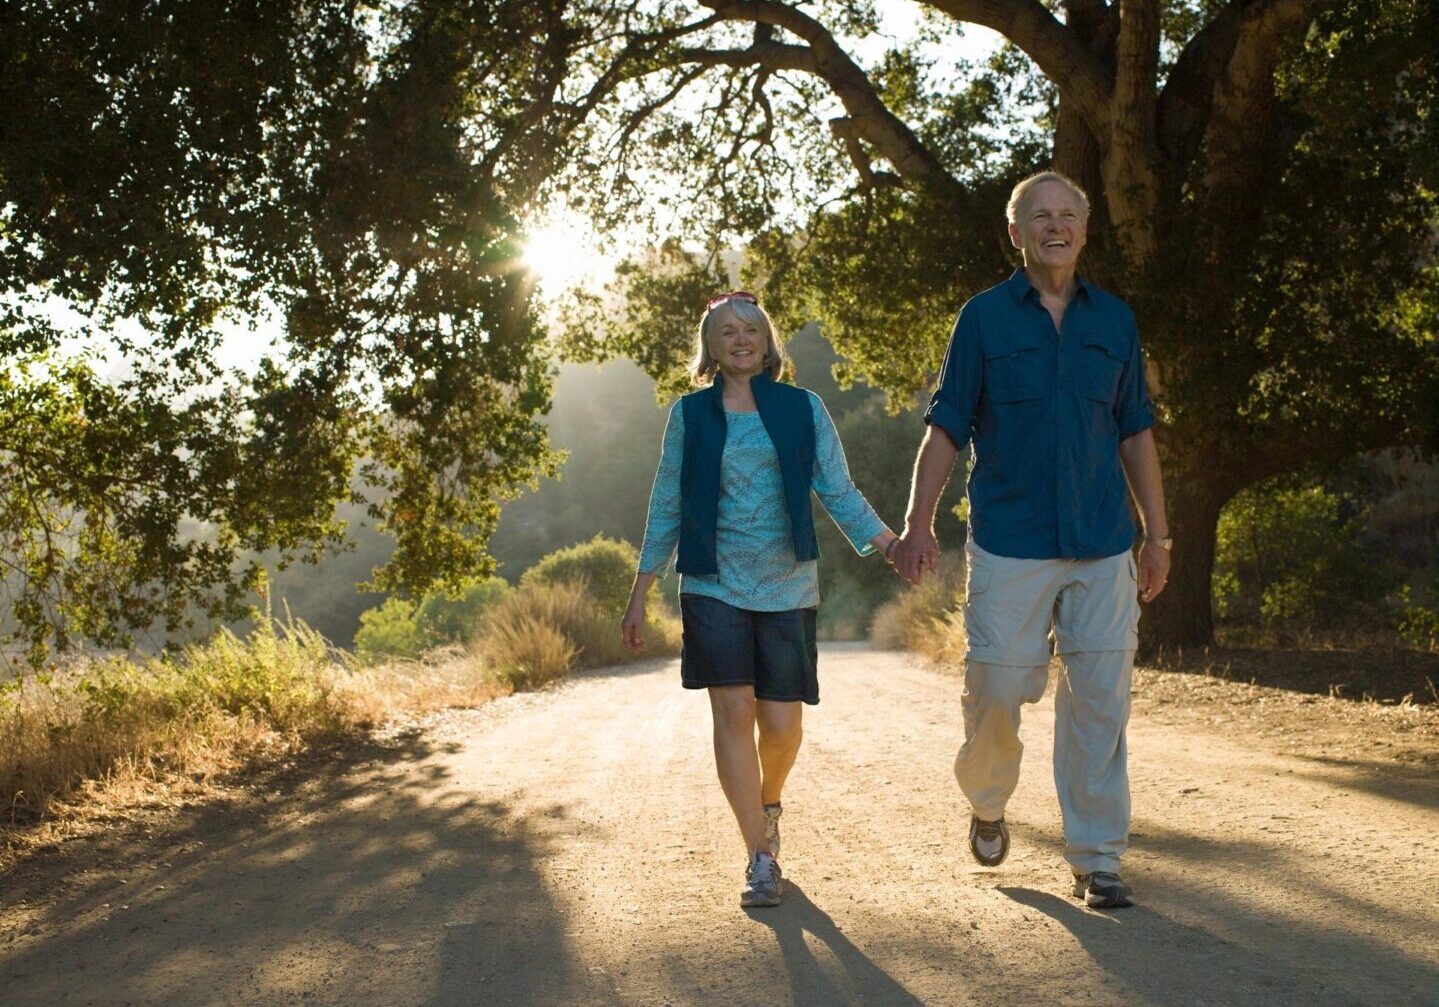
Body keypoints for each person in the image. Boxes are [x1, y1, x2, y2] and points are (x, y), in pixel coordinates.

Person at [893, 171, 1171, 909]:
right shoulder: (983, 319)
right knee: (997, 684)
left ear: (1084, 229)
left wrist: (1158, 535)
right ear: (1014, 233)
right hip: (1011, 540)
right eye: (1039, 217)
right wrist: (918, 523)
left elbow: (1135, 430)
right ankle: (987, 799)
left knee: (1100, 701)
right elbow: (947, 426)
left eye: (1067, 216)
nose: (1055, 227)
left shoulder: (1114, 321)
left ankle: (1096, 856)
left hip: (1103, 539)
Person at [621, 290, 898, 909]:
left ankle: (769, 802)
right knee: (732, 713)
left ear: (768, 342)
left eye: (750, 328)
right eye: (726, 331)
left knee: (780, 723)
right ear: (711, 348)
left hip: (787, 582)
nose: (740, 338)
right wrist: (640, 591)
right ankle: (759, 855)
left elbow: (839, 489)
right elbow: (666, 502)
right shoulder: (689, 416)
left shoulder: (802, 407)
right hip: (712, 581)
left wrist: (890, 545)